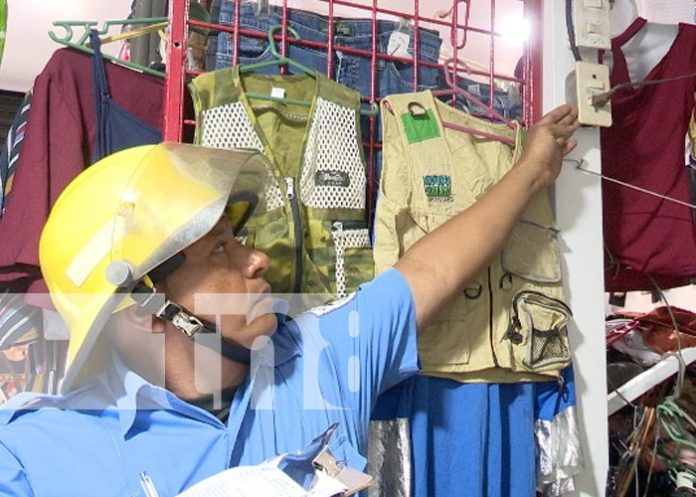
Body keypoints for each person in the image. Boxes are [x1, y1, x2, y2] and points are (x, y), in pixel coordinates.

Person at [0, 105, 579, 496]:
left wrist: (530, 172)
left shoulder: (321, 357)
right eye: (221, 250)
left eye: (240, 240)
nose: (257, 260)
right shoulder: (37, 452)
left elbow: (429, 268)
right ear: (142, 306)